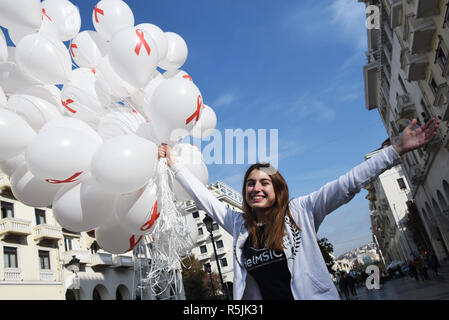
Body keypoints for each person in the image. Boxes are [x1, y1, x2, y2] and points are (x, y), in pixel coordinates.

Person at [158, 118, 439, 300]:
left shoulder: (301, 210)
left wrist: (395, 150)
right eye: (250, 184)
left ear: (277, 188)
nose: (256, 188)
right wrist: (174, 165)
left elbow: (348, 183)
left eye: (264, 182)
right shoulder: (238, 224)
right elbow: (204, 198)